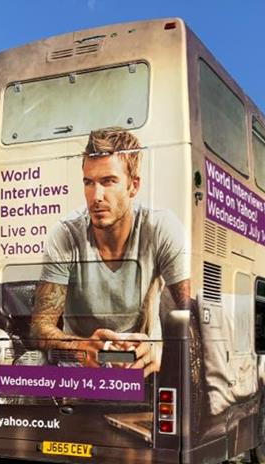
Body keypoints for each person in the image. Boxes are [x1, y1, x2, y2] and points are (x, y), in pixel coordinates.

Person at [30, 127, 189, 377]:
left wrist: (162, 349)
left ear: (133, 186)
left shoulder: (161, 228)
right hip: (80, 367)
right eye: (89, 183)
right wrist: (80, 347)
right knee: (30, 363)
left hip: (142, 366)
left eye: (108, 181)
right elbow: (40, 327)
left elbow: (192, 315)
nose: (96, 196)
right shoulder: (65, 234)